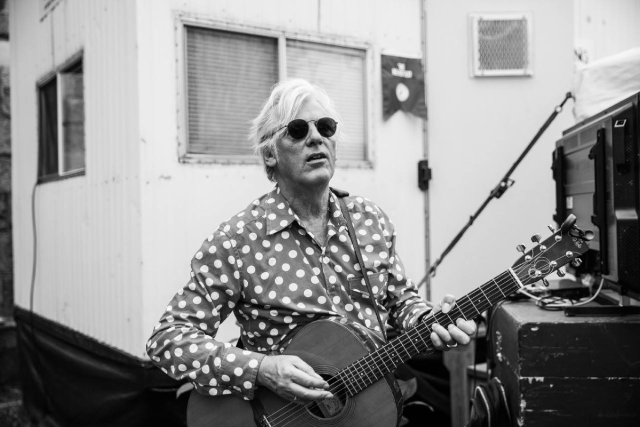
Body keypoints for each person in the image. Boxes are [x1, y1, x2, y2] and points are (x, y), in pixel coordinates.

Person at [146, 79, 476, 405]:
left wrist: (427, 320)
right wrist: (261, 369)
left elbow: (402, 301)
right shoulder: (237, 241)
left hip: (369, 408)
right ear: (270, 154)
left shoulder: (369, 220)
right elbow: (168, 338)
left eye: (326, 127)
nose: (316, 137)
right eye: (298, 130)